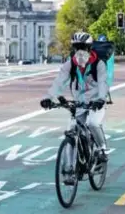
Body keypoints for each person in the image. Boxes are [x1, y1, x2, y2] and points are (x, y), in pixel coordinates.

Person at [40, 31, 109, 182]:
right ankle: (69, 170)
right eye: (76, 48)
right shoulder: (71, 63)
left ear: (90, 48)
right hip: (79, 103)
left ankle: (102, 149)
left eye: (83, 47)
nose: (80, 51)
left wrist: (101, 99)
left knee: (92, 123)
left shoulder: (99, 64)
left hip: (95, 103)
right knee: (71, 131)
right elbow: (59, 81)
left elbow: (103, 83)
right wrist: (48, 97)